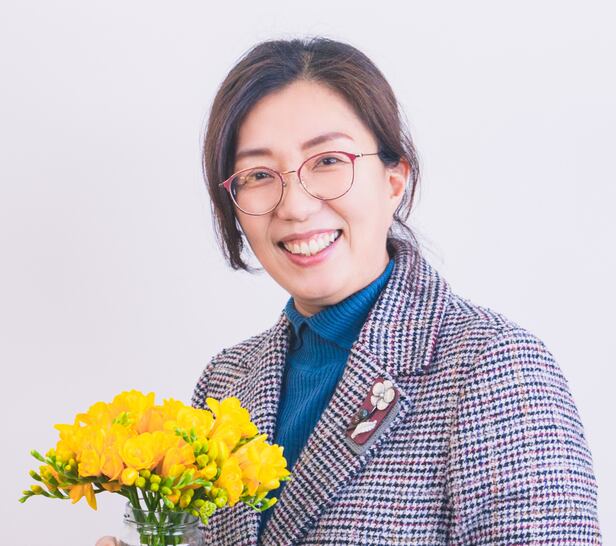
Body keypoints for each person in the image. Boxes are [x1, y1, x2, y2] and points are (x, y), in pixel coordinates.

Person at [96, 37, 601, 545]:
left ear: (393, 180)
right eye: (258, 174)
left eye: (328, 161)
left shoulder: (495, 367)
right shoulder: (225, 382)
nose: (295, 206)